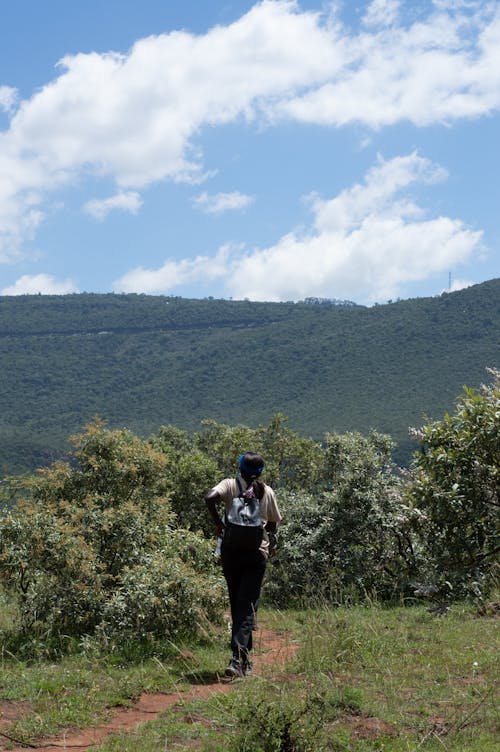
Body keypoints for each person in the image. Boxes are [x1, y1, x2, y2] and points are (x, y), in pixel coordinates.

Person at [204, 451, 282, 678]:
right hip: (256, 554)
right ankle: (239, 659)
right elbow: (274, 523)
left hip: (231, 552)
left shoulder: (229, 485)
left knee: (237, 602)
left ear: (240, 468)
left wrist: (219, 524)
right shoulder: (266, 491)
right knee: (247, 606)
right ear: (260, 472)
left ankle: (242, 659)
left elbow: (209, 497)